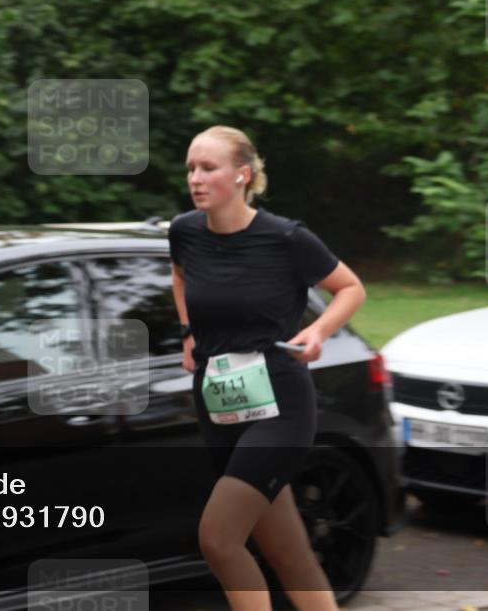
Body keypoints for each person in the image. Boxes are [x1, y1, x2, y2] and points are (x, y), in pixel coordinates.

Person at [168, 125, 366, 611]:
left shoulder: (286, 238)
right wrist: (189, 332)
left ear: (242, 175)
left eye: (208, 168)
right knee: (289, 554)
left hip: (279, 402)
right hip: (218, 400)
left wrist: (318, 331)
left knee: (218, 539)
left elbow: (351, 288)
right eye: (192, 167)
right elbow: (179, 275)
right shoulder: (185, 231)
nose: (196, 177)